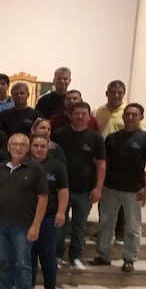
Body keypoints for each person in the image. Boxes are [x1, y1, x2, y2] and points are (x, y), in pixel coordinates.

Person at [90, 103, 146, 272]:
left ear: (141, 117)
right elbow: (102, 163)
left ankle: (129, 258)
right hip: (110, 188)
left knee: (132, 227)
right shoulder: (112, 138)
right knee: (106, 223)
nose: (129, 117)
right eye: (127, 114)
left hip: (134, 190)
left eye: (134, 115)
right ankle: (103, 255)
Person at [0, 134, 48, 289]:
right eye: (15, 144)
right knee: (6, 261)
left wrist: (36, 225)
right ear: (8, 147)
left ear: (28, 148)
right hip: (3, 223)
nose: (18, 148)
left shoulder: (36, 169)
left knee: (22, 263)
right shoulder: (0, 169)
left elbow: (43, 198)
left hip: (24, 225)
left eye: (22, 145)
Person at [52, 101, 106, 270]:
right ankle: (57, 255)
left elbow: (101, 164)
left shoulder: (96, 138)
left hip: (85, 190)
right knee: (60, 224)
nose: (80, 117)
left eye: (84, 113)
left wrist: (98, 187)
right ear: (71, 115)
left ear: (89, 116)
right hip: (62, 188)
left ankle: (75, 256)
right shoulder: (59, 135)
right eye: (77, 113)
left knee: (79, 226)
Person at [29, 135, 68, 289]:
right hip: (27, 216)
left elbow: (63, 190)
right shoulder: (25, 164)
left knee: (47, 254)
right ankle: (29, 285)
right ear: (30, 147)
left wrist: (61, 212)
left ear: (48, 147)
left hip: (50, 216)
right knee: (28, 254)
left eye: (42, 146)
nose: (39, 149)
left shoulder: (56, 166)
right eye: (35, 146)